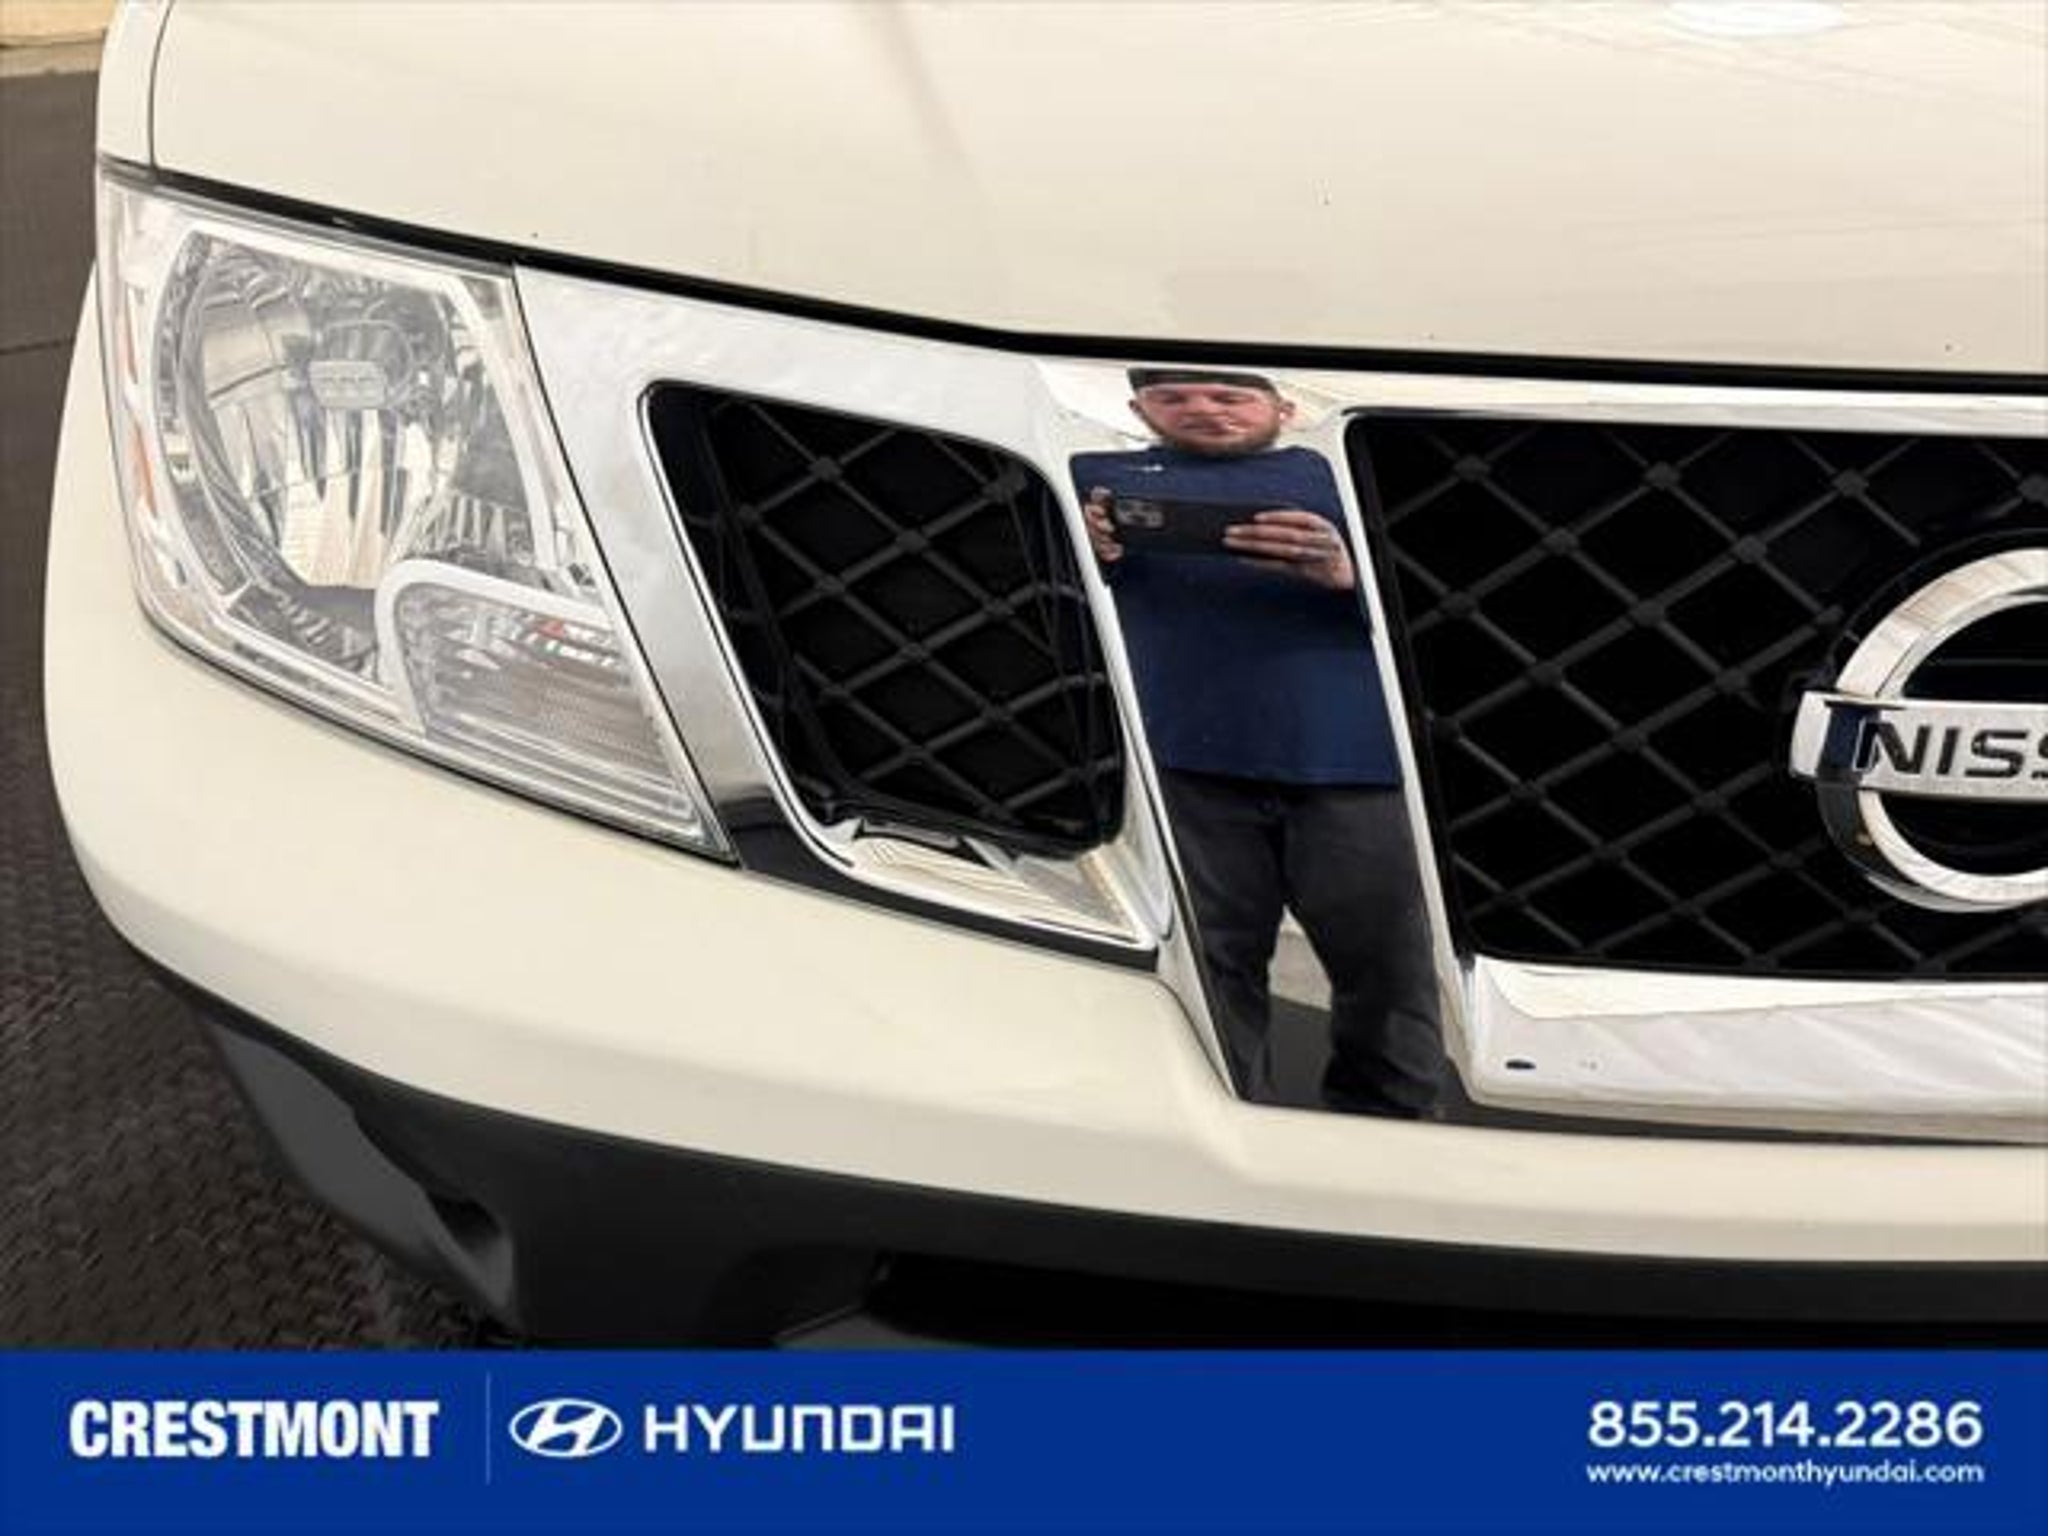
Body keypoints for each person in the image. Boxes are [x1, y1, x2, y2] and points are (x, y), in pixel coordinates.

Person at [1074, 369, 1442, 1118]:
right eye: (1175, 397)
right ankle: (1223, 1119)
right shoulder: (1086, 485)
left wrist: (1351, 572)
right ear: (1137, 408)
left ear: (1285, 407)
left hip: (1357, 767)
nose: (1202, 410)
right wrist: (1080, 552)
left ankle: (1396, 1127)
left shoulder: (1356, 480)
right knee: (1211, 966)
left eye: (1227, 396)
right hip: (1183, 766)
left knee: (1385, 966)